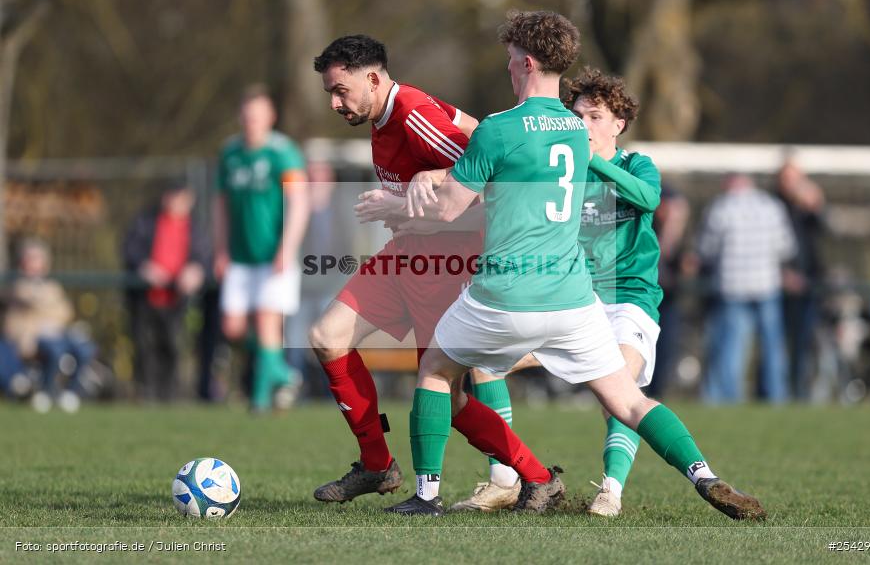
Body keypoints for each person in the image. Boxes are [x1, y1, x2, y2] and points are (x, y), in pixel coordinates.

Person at [384, 10, 765, 521]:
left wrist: (406, 197)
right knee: (628, 402)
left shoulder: (499, 128)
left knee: (435, 369)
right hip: (573, 300)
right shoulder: (575, 132)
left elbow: (452, 208)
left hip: (506, 293)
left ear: (526, 61)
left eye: (510, 60)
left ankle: (428, 495)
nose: (508, 67)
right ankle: (706, 477)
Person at [423, 69, 664, 517]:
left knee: (619, 392)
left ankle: (610, 490)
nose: (585, 124)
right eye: (578, 115)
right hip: (574, 298)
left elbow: (648, 198)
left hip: (629, 299)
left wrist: (593, 161)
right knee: (483, 368)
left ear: (619, 125)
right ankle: (504, 479)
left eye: (595, 116)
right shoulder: (564, 170)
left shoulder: (634, 165)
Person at [308, 34, 485, 502]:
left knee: (446, 393)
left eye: (340, 90)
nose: (334, 102)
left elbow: (489, 176)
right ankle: (377, 465)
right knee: (328, 336)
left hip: (443, 260)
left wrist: (411, 193)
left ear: (372, 78)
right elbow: (475, 129)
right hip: (405, 254)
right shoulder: (388, 111)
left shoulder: (410, 114)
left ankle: (536, 478)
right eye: (330, 92)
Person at [213, 85, 310, 411]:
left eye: (258, 116)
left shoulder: (283, 153)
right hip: (240, 257)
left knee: (267, 322)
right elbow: (221, 206)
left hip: (273, 256)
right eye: (247, 116)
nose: (251, 122)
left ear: (270, 117)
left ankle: (259, 399)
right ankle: (283, 373)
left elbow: (299, 203)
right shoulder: (230, 154)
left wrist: (287, 246)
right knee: (234, 327)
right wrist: (221, 249)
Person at [697, 173, 796, 403]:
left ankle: (731, 399)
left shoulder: (721, 208)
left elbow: (707, 249)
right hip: (766, 284)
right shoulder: (772, 207)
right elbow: (786, 247)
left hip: (732, 286)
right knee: (772, 347)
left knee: (732, 347)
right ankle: (776, 396)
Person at [123, 181, 210, 401]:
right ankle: (146, 394)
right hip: (146, 297)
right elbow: (129, 249)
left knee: (172, 346)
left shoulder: (195, 227)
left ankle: (170, 396)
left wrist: (196, 268)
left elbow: (203, 257)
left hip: (176, 298)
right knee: (144, 347)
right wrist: (145, 266)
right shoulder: (146, 221)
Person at [2, 238, 95, 412]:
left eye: (37, 259)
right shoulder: (16, 285)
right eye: (30, 259)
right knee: (55, 350)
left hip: (56, 333)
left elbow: (65, 312)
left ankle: (72, 392)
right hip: (32, 339)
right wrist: (47, 309)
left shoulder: (52, 286)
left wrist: (47, 312)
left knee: (85, 349)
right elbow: (29, 301)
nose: (34, 264)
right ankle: (46, 391)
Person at [777, 156, 825, 399]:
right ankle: (779, 394)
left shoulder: (807, 211)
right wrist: (783, 274)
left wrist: (816, 207)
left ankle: (800, 392)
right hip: (781, 286)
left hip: (810, 286)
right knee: (779, 345)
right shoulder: (774, 205)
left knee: (805, 346)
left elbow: (824, 232)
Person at [648, 185, 690, 398]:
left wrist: (675, 229)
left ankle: (658, 393)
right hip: (647, 298)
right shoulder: (647, 227)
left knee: (667, 347)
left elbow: (686, 265)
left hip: (670, 299)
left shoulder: (683, 234)